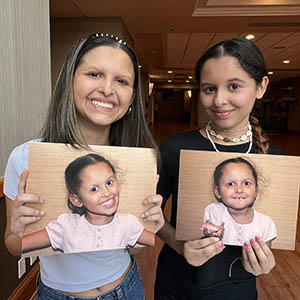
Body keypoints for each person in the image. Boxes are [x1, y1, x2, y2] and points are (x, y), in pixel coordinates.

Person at [4, 33, 164, 300]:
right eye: (94, 74)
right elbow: (13, 244)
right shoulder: (25, 158)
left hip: (127, 289)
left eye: (121, 81)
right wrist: (19, 232)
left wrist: (148, 228)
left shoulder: (135, 162)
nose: (108, 89)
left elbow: (131, 248)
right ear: (70, 80)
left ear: (132, 97)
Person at [155, 37, 282, 300]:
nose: (219, 100)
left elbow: (268, 231)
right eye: (209, 89)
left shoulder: (274, 159)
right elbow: (149, 213)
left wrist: (265, 259)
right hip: (176, 282)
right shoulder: (174, 147)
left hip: (237, 286)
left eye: (234, 86)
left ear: (261, 86)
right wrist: (179, 245)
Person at [22, 153, 155, 255]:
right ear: (77, 200)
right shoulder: (66, 225)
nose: (107, 192)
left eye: (109, 183)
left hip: (121, 288)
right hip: (71, 290)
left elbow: (157, 240)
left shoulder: (128, 223)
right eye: (94, 189)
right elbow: (20, 244)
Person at [203, 156, 276, 247]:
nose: (239, 190)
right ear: (217, 192)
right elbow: (208, 243)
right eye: (230, 184)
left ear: (256, 190)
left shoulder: (265, 223)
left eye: (246, 183)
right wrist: (213, 235)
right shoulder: (214, 211)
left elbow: (265, 257)